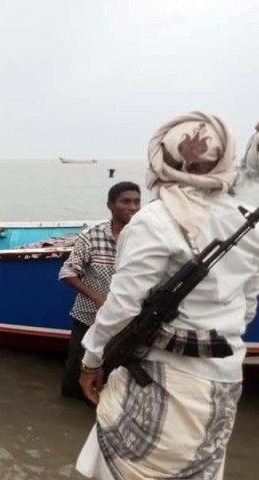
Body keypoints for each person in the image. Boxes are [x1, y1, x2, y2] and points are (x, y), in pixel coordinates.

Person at [76, 112, 259, 479]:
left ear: (162, 157)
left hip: (162, 374)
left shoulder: (153, 221)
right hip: (223, 380)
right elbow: (248, 305)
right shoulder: (246, 221)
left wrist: (91, 360)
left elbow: (122, 307)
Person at [58, 181, 141, 400]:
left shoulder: (145, 238)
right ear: (110, 205)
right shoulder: (91, 236)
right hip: (88, 318)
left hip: (127, 323)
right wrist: (96, 297)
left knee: (116, 381)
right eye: (126, 202)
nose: (132, 207)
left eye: (137, 202)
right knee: (73, 383)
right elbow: (67, 273)